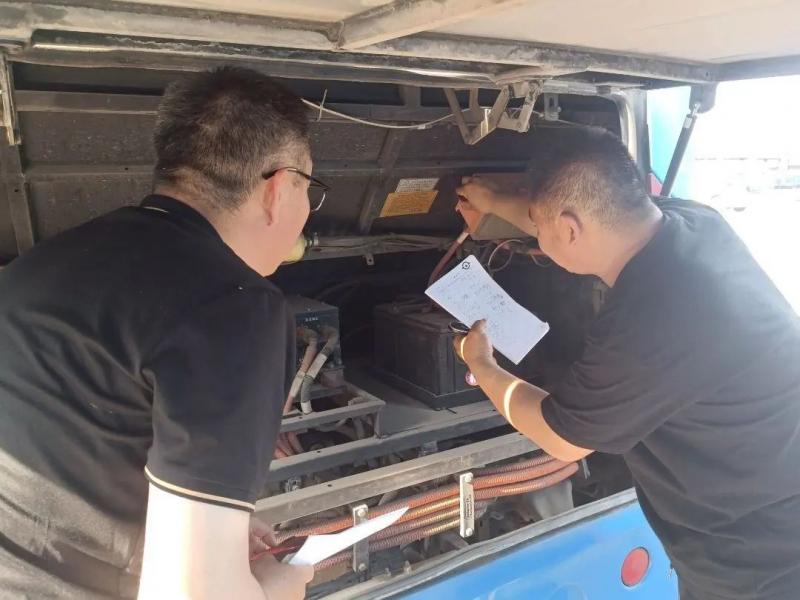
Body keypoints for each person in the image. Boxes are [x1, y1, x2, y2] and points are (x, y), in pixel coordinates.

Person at [0, 67, 320, 599]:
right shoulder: (235, 306)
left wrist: (210, 527)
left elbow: (75, 453)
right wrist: (276, 589)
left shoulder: (42, 265)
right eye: (309, 188)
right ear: (278, 189)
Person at [454, 127, 800, 600]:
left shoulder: (654, 315)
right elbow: (565, 220)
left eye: (540, 223)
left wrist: (482, 364)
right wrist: (494, 202)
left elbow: (561, 438)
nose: (536, 233)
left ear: (570, 230)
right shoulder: (692, 222)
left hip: (758, 564)